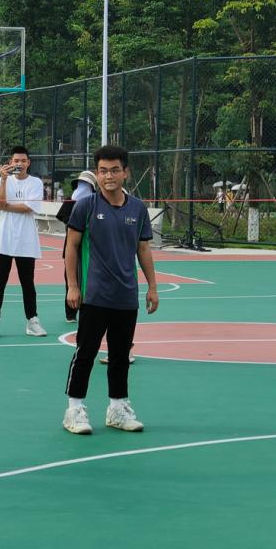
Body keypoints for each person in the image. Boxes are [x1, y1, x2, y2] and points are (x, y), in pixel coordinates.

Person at [62, 145, 159, 436]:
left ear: (125, 173)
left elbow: (143, 249)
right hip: (94, 294)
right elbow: (71, 247)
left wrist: (152, 287)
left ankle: (118, 408)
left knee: (120, 355)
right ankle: (74, 409)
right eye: (103, 171)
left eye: (115, 170)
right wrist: (73, 286)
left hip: (126, 296)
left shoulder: (137, 208)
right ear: (97, 174)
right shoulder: (86, 206)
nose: (108, 176)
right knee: (86, 353)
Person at [0, 147, 47, 339]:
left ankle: (32, 321)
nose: (19, 164)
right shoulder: (2, 181)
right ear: (10, 163)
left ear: (28, 163)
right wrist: (4, 180)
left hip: (26, 240)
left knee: (28, 284)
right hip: (4, 239)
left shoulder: (36, 182)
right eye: (16, 161)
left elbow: (29, 207)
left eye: (23, 160)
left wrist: (7, 206)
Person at [57, 170, 98, 323]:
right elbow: (62, 216)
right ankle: (71, 313)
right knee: (71, 279)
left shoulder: (96, 201)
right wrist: (76, 222)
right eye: (81, 183)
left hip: (90, 247)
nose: (83, 186)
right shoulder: (71, 200)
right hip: (72, 246)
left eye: (86, 184)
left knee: (90, 279)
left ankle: (88, 310)